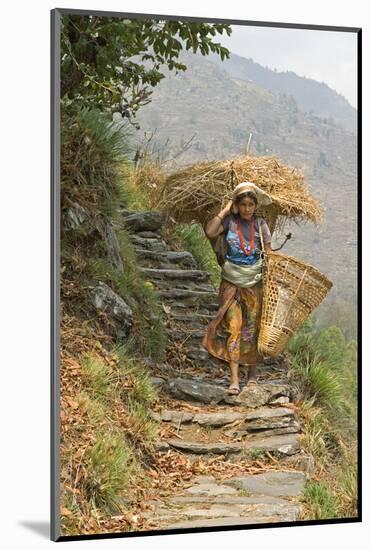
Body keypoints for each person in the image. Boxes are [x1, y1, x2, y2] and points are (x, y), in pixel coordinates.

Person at [202, 181, 273, 395]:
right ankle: (234, 380)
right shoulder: (229, 223)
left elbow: (269, 255)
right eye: (243, 204)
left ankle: (252, 376)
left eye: (251, 204)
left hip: (255, 284)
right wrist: (225, 210)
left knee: (251, 329)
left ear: (255, 206)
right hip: (231, 284)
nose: (247, 209)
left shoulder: (261, 226)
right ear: (237, 205)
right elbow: (210, 232)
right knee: (233, 328)